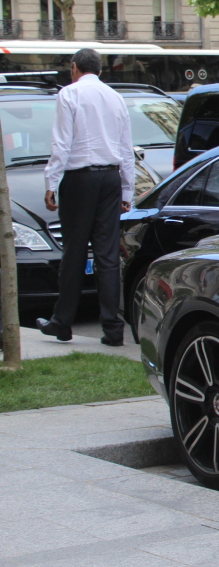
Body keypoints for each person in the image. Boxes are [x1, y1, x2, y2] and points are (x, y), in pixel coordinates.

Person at [36, 48, 134, 346]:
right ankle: (113, 329)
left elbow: (61, 143)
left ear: (75, 67)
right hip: (109, 179)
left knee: (74, 252)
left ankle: (62, 322)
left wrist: (51, 183)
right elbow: (126, 148)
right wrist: (127, 189)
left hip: (79, 179)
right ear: (100, 71)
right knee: (107, 255)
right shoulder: (115, 97)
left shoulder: (69, 95)